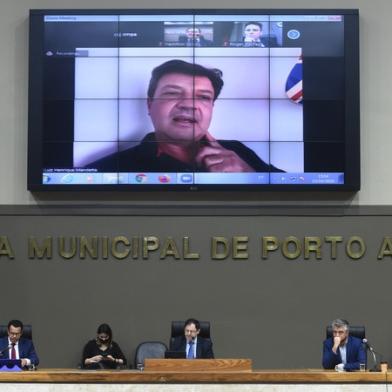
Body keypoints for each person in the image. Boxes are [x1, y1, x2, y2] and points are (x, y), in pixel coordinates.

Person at [87, 59, 282, 173]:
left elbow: (296, 191)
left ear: (212, 107)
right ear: (150, 104)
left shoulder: (237, 151)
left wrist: (249, 174)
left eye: (203, 97)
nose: (189, 104)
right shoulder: (108, 168)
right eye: (172, 93)